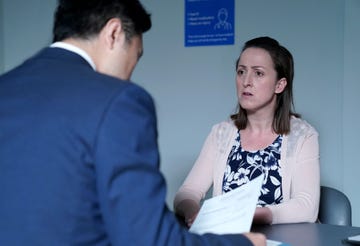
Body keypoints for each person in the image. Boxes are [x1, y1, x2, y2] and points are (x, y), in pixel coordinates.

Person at [0, 0, 266, 245]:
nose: (128, 76)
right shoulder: (118, 100)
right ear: (114, 33)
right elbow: (149, 240)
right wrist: (244, 243)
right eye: (135, 57)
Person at [174, 36, 320, 227]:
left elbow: (306, 207)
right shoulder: (222, 133)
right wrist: (194, 212)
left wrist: (246, 214)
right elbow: (187, 192)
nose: (246, 81)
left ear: (279, 85)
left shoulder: (303, 135)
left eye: (258, 73)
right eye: (241, 72)